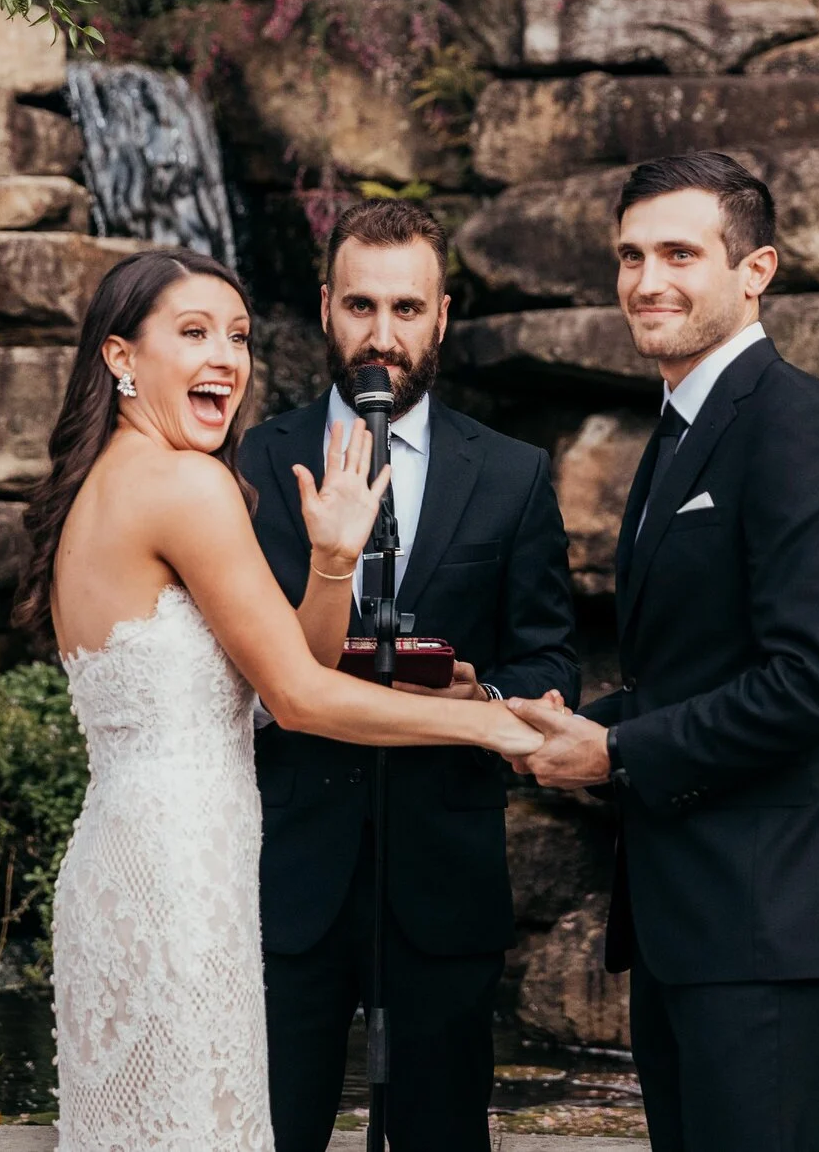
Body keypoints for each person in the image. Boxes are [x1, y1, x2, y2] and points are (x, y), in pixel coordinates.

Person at [19, 246, 549, 1152]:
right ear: (120, 356)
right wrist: (489, 722)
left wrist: (333, 561)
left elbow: (286, 664)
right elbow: (300, 696)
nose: (225, 357)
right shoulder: (188, 483)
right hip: (182, 878)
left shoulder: (98, 485)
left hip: (123, 863)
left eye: (238, 336)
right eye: (193, 333)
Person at [509, 151, 819, 1152]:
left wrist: (614, 753)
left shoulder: (801, 426)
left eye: (679, 253)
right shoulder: (684, 424)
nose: (647, 280)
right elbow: (688, 673)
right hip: (692, 913)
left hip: (767, 913)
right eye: (631, 255)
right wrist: (555, 724)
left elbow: (816, 682)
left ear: (755, 269)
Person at [235, 200, 577, 1152]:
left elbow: (552, 656)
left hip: (444, 875)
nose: (381, 334)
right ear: (324, 307)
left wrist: (486, 696)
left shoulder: (512, 473)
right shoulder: (253, 459)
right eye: (359, 306)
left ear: (443, 316)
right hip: (285, 871)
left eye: (406, 308)